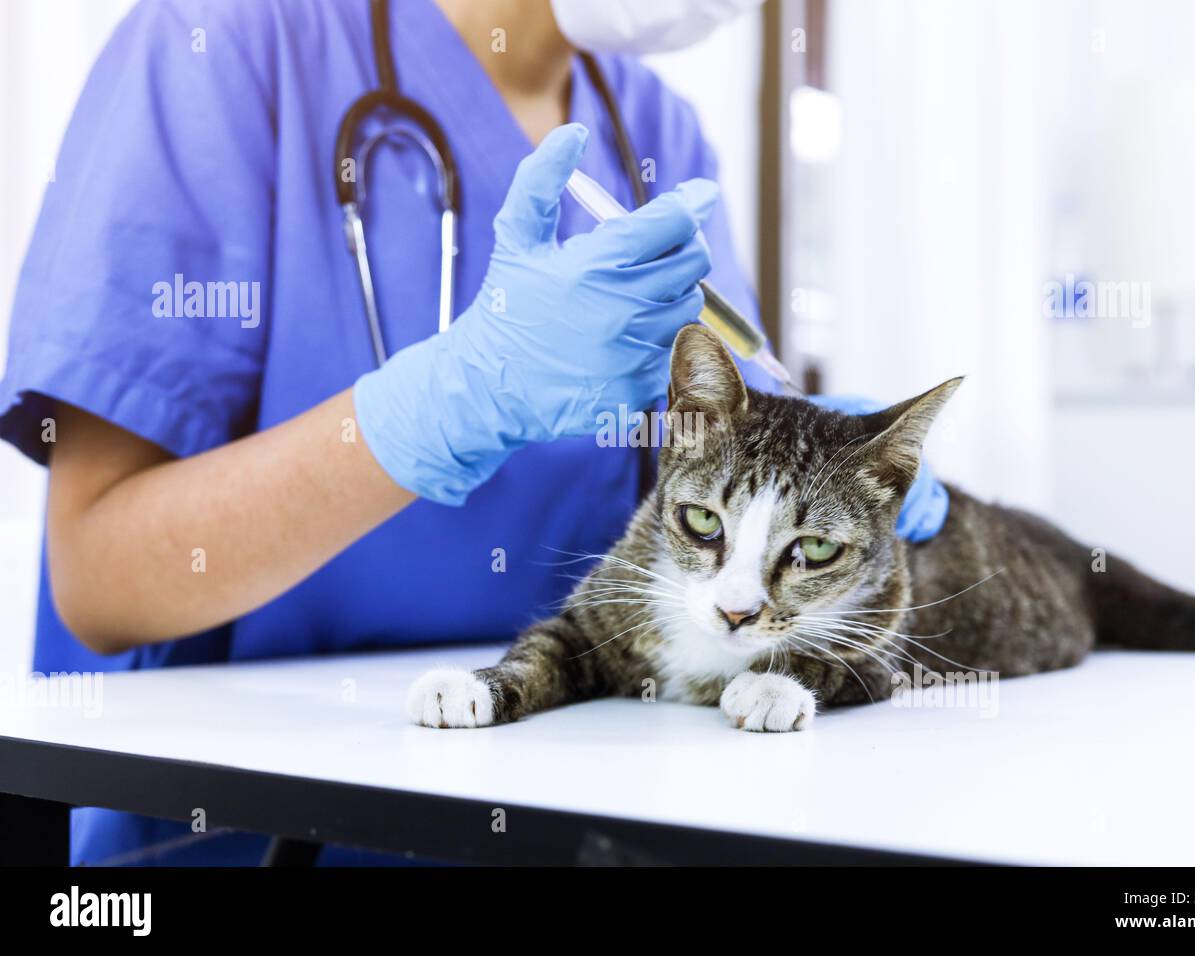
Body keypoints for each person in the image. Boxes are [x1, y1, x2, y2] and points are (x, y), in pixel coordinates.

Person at [0, 0, 948, 865]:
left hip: (583, 810)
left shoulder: (656, 130)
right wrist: (446, 404)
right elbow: (99, 577)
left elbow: (731, 461)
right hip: (256, 833)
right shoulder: (219, 44)